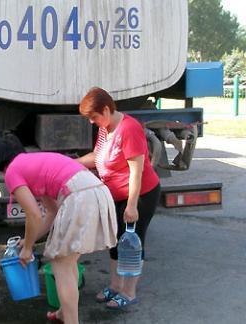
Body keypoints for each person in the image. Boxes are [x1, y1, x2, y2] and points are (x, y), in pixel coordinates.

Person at [0, 137, 117, 324]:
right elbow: (51, 212)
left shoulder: (12, 172)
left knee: (60, 265)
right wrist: (28, 241)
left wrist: (27, 249)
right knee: (67, 261)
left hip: (79, 196)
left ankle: (71, 321)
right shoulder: (32, 162)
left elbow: (33, 214)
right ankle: (64, 313)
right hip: (96, 191)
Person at [77, 87, 161, 310]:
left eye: (93, 117)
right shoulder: (106, 128)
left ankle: (129, 292)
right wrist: (74, 163)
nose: (92, 122)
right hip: (115, 194)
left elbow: (137, 171)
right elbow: (98, 156)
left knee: (132, 243)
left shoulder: (129, 129)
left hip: (140, 194)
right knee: (115, 240)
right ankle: (115, 286)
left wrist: (132, 206)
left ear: (106, 109)